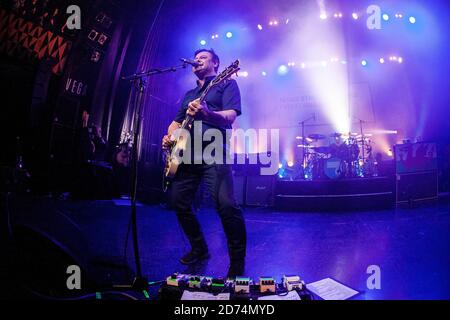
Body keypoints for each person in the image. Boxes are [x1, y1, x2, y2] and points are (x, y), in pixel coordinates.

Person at [162, 48, 246, 278]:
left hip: (213, 152)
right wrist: (170, 136)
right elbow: (175, 122)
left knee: (226, 206)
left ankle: (237, 263)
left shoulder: (225, 84)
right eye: (196, 58)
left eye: (203, 57)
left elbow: (230, 116)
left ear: (217, 64)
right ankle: (199, 248)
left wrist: (207, 114)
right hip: (186, 155)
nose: (197, 60)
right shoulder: (190, 94)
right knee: (178, 203)